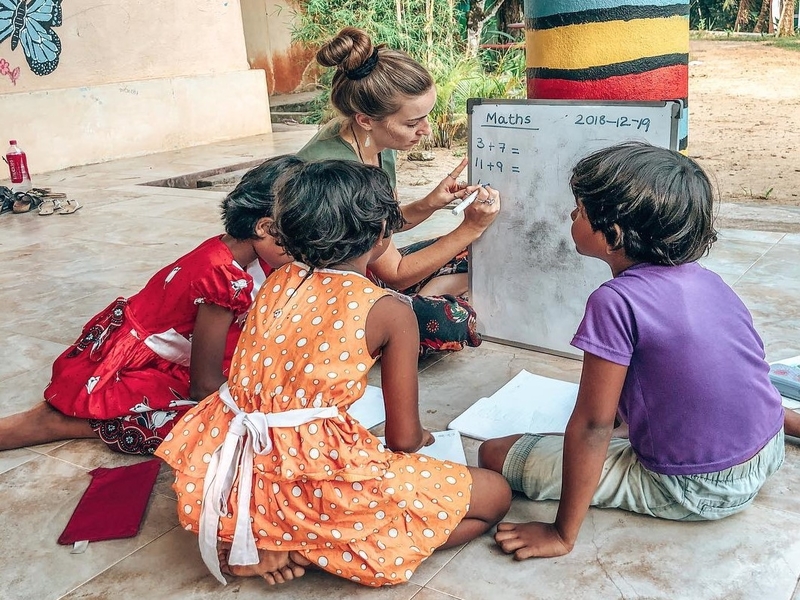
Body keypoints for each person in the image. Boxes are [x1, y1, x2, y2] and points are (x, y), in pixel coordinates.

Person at [156, 160, 511, 587]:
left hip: (237, 463)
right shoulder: (389, 311)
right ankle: (325, 547)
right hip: (312, 475)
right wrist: (423, 439)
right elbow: (402, 439)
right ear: (383, 233)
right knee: (495, 495)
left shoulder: (278, 278)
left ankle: (280, 539)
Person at [477, 142, 789, 561]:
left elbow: (592, 426)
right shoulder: (707, 279)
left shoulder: (615, 301)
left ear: (614, 235)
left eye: (581, 210)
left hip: (698, 488)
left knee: (494, 453)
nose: (572, 216)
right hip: (768, 450)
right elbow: (744, 380)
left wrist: (561, 533)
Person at [0, 155, 302, 455]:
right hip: (129, 368)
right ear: (265, 227)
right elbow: (204, 386)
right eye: (302, 239)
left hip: (153, 352)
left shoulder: (233, 249)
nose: (305, 251)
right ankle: (76, 423)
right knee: (223, 427)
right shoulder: (222, 276)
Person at [297, 27, 500, 358]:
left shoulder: (374, 140)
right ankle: (404, 314)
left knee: (477, 255)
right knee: (453, 320)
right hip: (322, 299)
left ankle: (410, 306)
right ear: (366, 119)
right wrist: (471, 227)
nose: (426, 130)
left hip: (366, 271)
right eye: (412, 123)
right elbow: (396, 272)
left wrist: (428, 204)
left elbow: (381, 228)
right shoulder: (338, 172)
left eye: (426, 117)